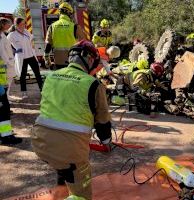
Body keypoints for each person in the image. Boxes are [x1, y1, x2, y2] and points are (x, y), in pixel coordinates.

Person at [31, 40, 112, 200]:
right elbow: (102, 122)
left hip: (40, 143)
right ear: (89, 59)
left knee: (64, 164)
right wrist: (106, 141)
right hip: (68, 150)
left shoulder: (51, 76)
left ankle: (63, 185)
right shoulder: (93, 84)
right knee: (81, 189)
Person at [7, 17, 43, 98]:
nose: (24, 25)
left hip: (30, 55)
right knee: (22, 76)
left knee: (37, 73)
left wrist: (33, 45)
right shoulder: (11, 35)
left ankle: (42, 90)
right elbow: (6, 45)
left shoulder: (26, 32)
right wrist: (14, 51)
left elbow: (31, 39)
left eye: (24, 23)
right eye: (22, 23)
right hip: (22, 57)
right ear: (17, 24)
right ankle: (24, 92)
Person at [0, 18, 22, 145]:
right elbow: (3, 55)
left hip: (2, 79)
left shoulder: (2, 36)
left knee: (3, 109)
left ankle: (4, 134)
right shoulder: (1, 37)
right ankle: (6, 136)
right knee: (3, 110)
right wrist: (10, 61)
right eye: (7, 24)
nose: (9, 26)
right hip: (0, 81)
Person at [44, 2, 85, 69]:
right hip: (72, 61)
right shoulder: (75, 26)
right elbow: (84, 43)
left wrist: (47, 60)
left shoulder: (52, 27)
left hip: (58, 62)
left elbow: (48, 45)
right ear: (69, 13)